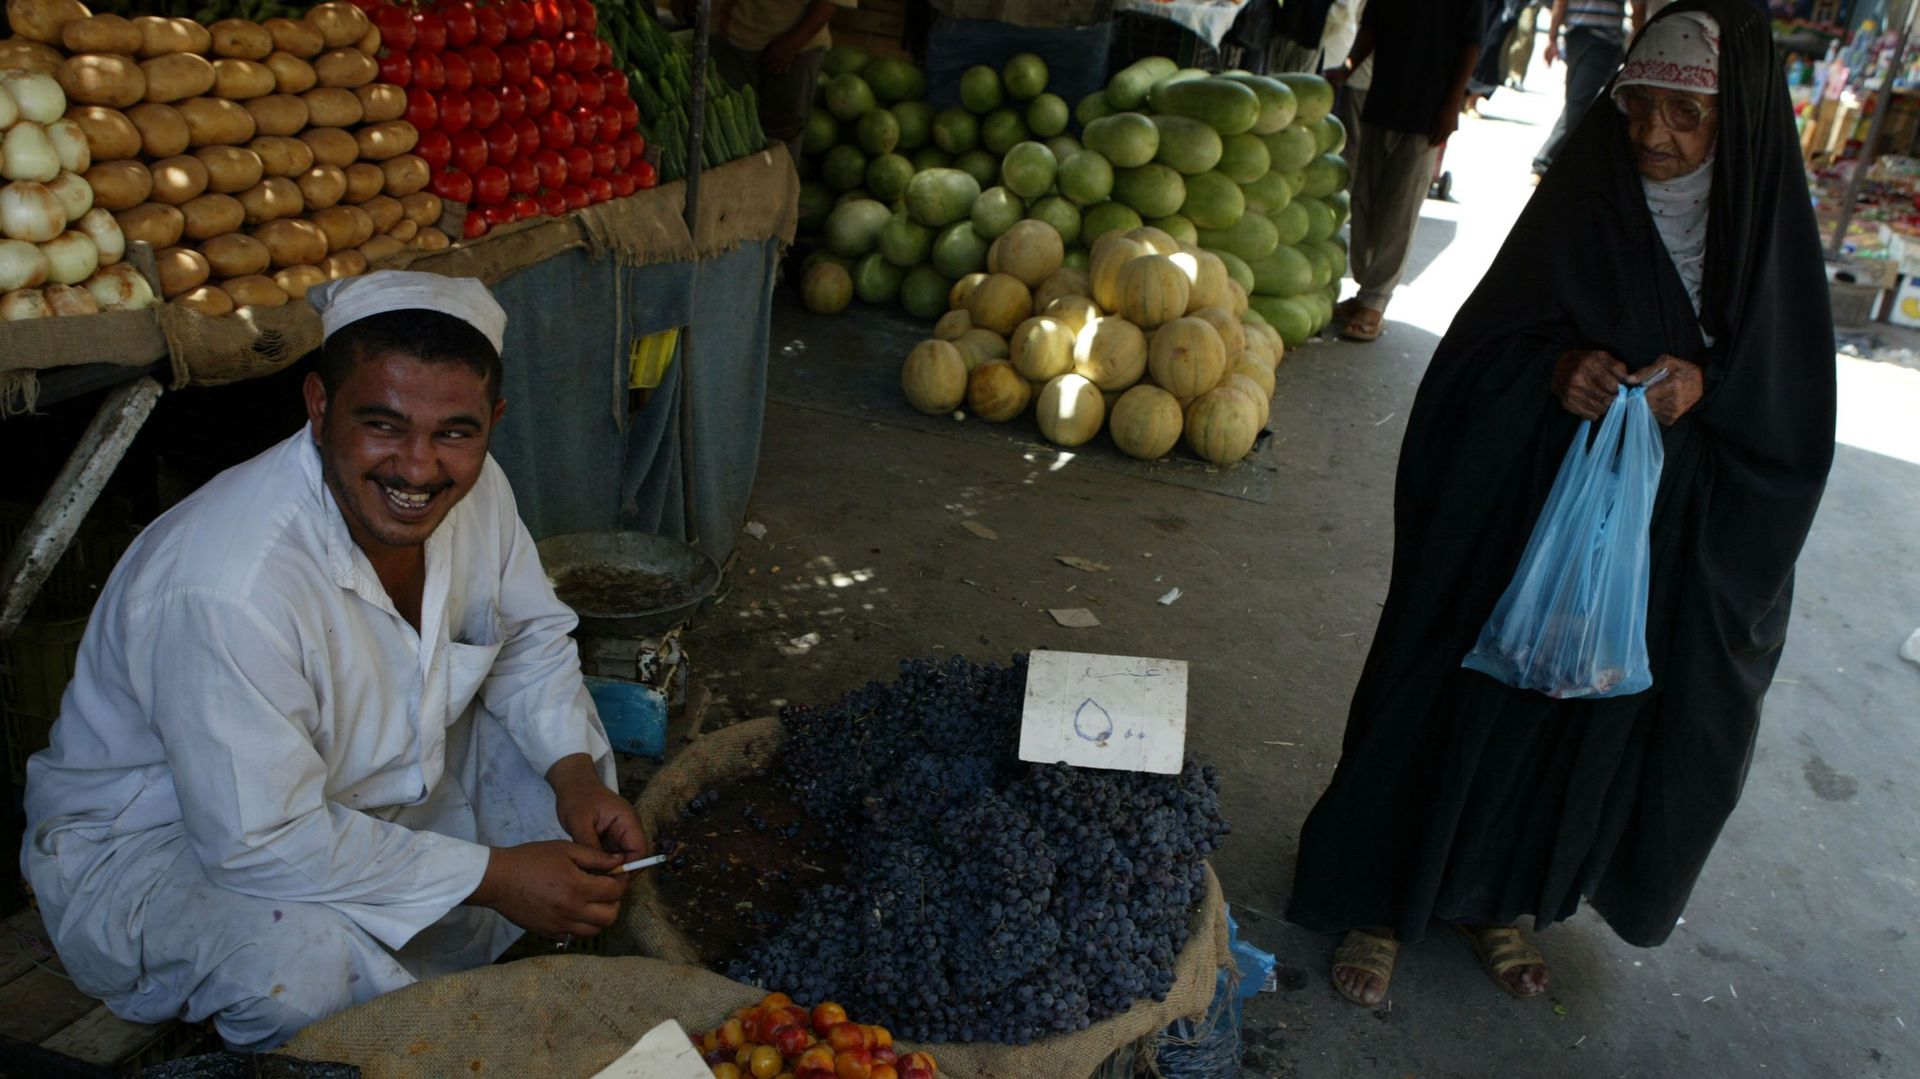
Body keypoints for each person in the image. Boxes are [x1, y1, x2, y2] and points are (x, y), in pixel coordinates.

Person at [1288, 0, 1834, 1007]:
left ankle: (1501, 896)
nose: (1652, 137)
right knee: (1451, 681)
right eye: (1637, 106)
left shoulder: (1759, 233)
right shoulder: (1590, 185)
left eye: (1685, 116)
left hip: (1645, 536)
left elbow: (1790, 407)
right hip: (1518, 501)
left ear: (1737, 126)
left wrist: (1705, 391)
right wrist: (1553, 373)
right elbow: (1478, 348)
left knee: (1572, 714)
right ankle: (1383, 896)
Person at [19, 272, 650, 1050]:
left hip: (358, 792)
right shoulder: (229, 583)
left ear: (493, 421)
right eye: (382, 425)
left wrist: (576, 775)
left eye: (455, 432)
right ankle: (391, 1033)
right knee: (306, 969)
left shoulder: (478, 493)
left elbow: (526, 638)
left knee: (570, 790)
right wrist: (497, 876)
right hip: (167, 845)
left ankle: (468, 989)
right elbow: (260, 839)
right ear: (319, 409)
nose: (417, 469)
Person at [1325, 0, 1488, 343]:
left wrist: (1452, 103)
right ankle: (1364, 292)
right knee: (1364, 202)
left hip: (1426, 113)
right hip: (1381, 101)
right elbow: (1371, 26)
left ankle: (1375, 301)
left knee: (1398, 209)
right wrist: (1348, 68)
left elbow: (1471, 43)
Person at [688, 0, 858, 154]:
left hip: (795, 46)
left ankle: (776, 186)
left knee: (781, 140)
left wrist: (792, 43)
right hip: (730, 38)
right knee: (723, 135)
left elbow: (828, 3)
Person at [1530, 0, 1643, 183]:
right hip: (1595, 41)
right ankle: (1544, 161)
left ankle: (1554, 161)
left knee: (1577, 102)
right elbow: (1638, 8)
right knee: (1577, 103)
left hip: (1581, 39)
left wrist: (1552, 37)